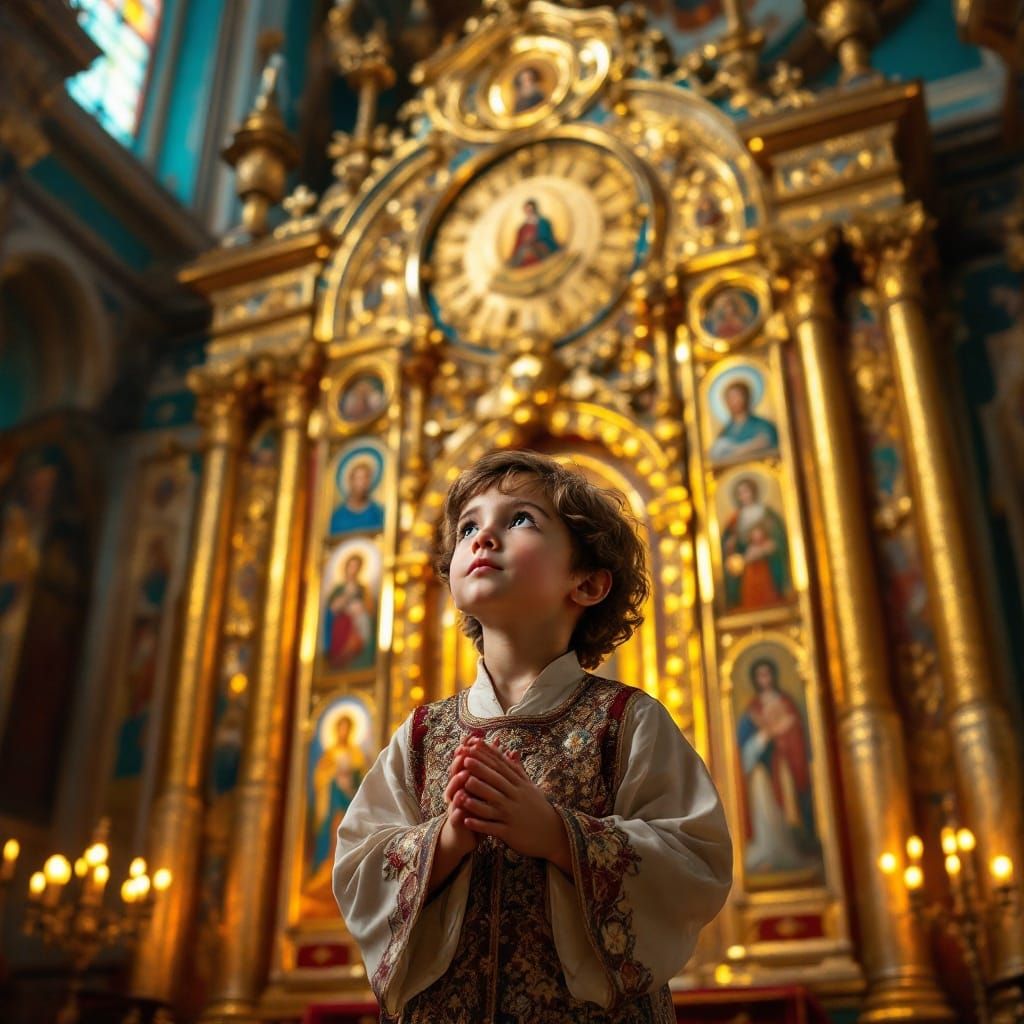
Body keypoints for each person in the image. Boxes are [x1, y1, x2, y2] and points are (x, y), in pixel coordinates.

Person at [334, 450, 732, 1022]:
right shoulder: (421, 735)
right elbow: (357, 865)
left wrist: (556, 834)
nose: (483, 537)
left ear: (589, 583)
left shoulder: (626, 720)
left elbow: (694, 861)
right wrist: (442, 843)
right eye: (468, 526)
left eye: (518, 520)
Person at [736, 657, 818, 875]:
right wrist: (764, 737)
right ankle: (770, 854)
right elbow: (744, 748)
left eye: (767, 674)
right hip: (762, 772)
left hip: (783, 768)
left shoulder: (787, 703)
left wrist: (783, 740)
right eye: (760, 675)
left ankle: (796, 848)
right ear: (755, 679)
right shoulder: (752, 710)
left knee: (791, 808)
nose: (765, 679)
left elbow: (797, 738)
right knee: (767, 814)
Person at [721, 476, 790, 610]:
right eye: (740, 493)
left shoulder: (766, 512)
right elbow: (728, 541)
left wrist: (768, 547)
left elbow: (779, 536)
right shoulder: (736, 518)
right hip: (748, 566)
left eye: (746, 491)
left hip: (767, 564)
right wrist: (731, 544)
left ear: (753, 491)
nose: (744, 496)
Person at [709, 379, 779, 463]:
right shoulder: (725, 432)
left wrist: (736, 451)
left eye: (737, 396)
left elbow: (767, 441)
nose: (733, 401)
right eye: (730, 398)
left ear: (746, 398)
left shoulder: (762, 425)